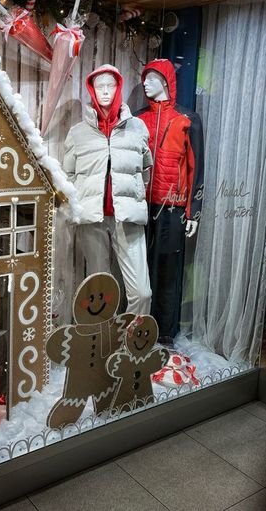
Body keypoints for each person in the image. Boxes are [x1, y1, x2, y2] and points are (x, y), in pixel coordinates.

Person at [63, 64, 152, 315]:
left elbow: (146, 171)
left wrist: (134, 198)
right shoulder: (78, 133)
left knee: (142, 292)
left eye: (110, 86)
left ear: (118, 88)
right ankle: (102, 347)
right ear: (91, 90)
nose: (104, 92)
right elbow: (67, 176)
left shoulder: (137, 128)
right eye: (99, 86)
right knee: (99, 293)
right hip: (93, 219)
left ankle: (133, 347)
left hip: (128, 218)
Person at [136, 59, 204, 343]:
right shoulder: (138, 119)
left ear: (165, 81)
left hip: (172, 209)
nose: (145, 83)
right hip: (141, 207)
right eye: (144, 78)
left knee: (165, 272)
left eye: (151, 78)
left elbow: (195, 168)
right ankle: (137, 331)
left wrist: (194, 212)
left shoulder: (187, 119)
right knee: (140, 272)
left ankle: (163, 334)